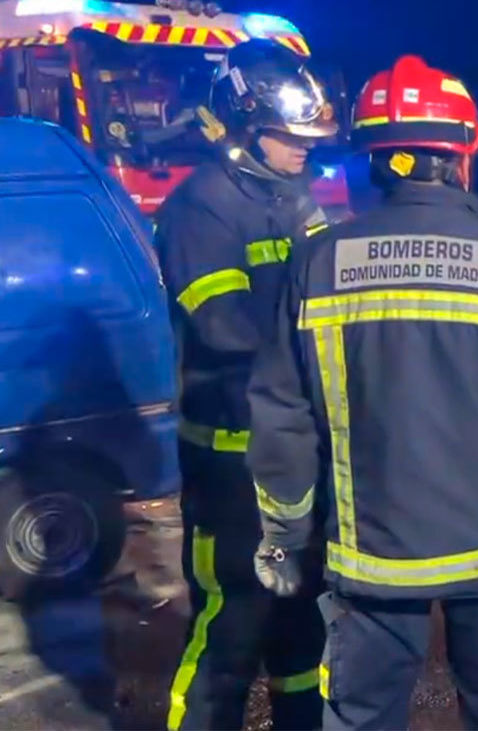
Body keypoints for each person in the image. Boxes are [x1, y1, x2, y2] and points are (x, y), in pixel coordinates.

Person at [244, 55, 478, 731]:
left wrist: (285, 533)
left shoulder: (318, 263)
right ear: (463, 157)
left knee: (361, 718)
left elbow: (282, 415)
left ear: (374, 159)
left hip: (369, 559)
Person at [154, 38, 337, 731]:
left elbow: (326, 285)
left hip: (292, 454)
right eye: (290, 137)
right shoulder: (200, 207)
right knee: (231, 626)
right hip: (229, 464)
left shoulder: (294, 197)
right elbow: (224, 327)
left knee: (300, 632)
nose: (304, 149)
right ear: (242, 129)